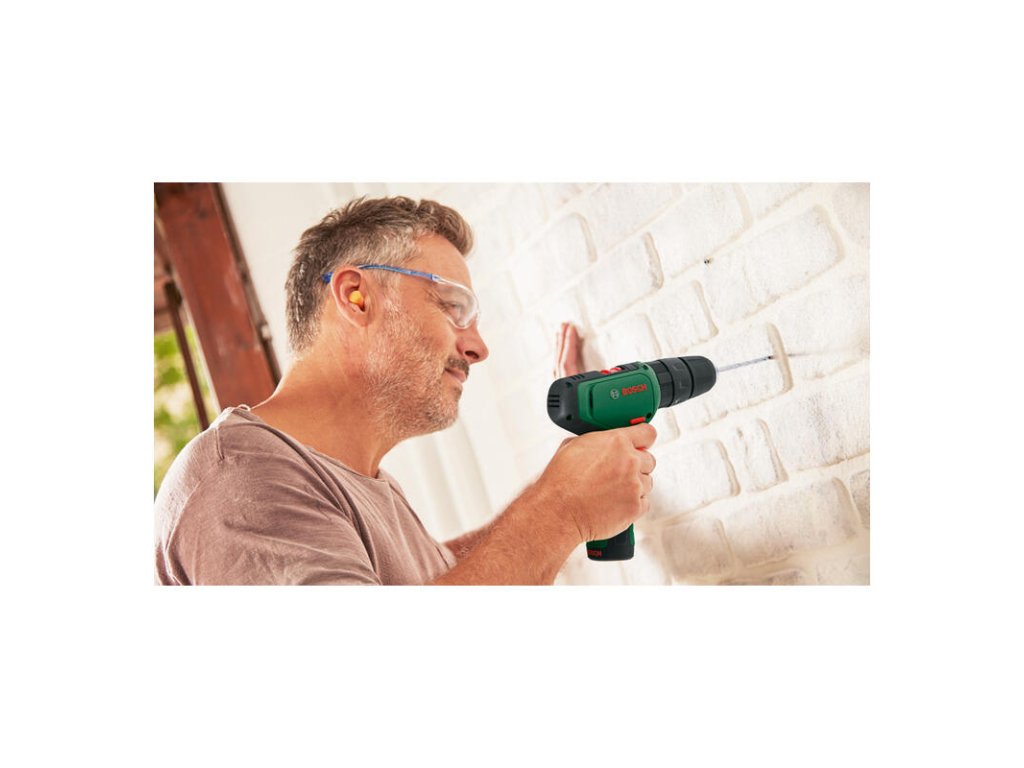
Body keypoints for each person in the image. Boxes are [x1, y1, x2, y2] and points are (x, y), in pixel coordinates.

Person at [154, 196, 657, 585]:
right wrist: (559, 508)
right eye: (453, 307)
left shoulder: (358, 482)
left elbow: (439, 580)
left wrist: (572, 482)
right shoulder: (242, 479)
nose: (478, 347)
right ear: (356, 297)